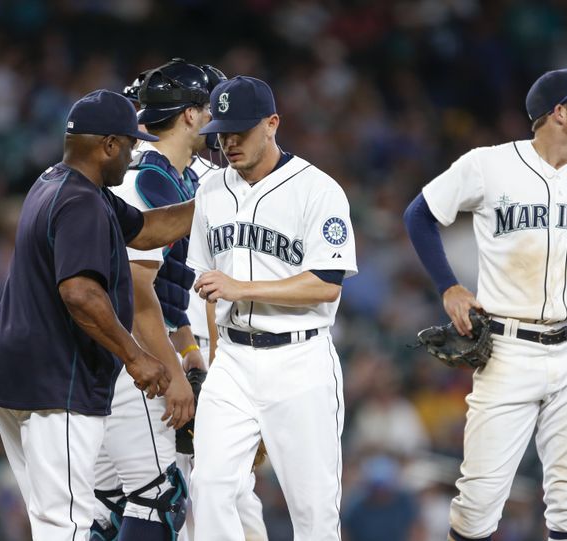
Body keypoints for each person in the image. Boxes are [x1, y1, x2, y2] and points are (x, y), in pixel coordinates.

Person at [404, 68, 567, 541]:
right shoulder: (490, 164)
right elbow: (420, 214)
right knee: (477, 502)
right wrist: (448, 286)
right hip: (508, 348)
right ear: (558, 112)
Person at [0, 89, 196, 540]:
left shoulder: (57, 182)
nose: (134, 153)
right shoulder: (83, 204)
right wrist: (135, 356)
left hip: (11, 374)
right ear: (109, 145)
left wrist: (212, 201)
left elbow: (148, 230)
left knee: (50, 514)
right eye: (130, 144)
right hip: (55, 380)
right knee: (68, 523)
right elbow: (80, 293)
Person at [187, 75, 357, 540]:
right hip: (234, 360)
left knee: (313, 509)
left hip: (299, 359)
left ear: (272, 124)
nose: (229, 142)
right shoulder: (211, 191)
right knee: (209, 486)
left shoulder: (317, 190)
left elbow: (327, 284)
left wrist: (241, 287)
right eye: (222, 132)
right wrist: (217, 357)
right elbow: (207, 283)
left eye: (240, 130)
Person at [92, 59, 211, 541]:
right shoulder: (144, 180)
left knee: (106, 510)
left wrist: (189, 351)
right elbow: (139, 295)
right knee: (157, 502)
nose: (215, 121)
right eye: (208, 109)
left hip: (129, 354)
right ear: (188, 115)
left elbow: (170, 292)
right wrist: (176, 372)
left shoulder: (174, 176)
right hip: (132, 361)